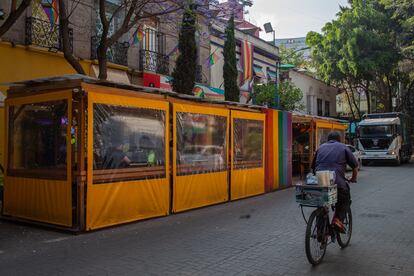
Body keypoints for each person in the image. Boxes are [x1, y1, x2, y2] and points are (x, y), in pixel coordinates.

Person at [311, 131, 358, 233]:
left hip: (320, 182)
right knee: (345, 199)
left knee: (322, 202)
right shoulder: (343, 147)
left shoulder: (320, 147)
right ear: (339, 139)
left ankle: (320, 231)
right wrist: (353, 179)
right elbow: (355, 166)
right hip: (338, 183)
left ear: (328, 140)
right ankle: (338, 220)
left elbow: (313, 167)